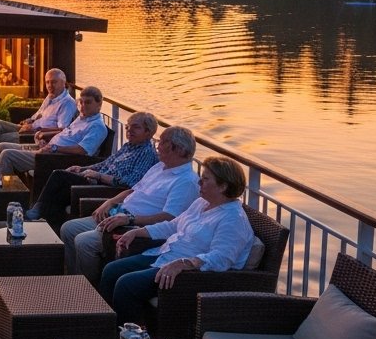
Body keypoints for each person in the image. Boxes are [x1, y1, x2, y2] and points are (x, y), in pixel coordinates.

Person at [98, 156, 255, 324]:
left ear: (223, 186)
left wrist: (185, 263)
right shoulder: (201, 203)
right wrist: (137, 232)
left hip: (186, 275)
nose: (199, 182)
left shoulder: (233, 219)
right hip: (165, 254)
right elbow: (173, 226)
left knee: (126, 285)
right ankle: (104, 324)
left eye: (205, 179)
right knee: (111, 270)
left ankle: (130, 335)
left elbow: (222, 258)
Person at [59, 125, 200, 284]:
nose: (157, 146)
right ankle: (75, 278)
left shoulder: (186, 181)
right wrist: (110, 202)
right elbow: (133, 190)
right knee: (69, 228)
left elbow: (169, 217)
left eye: (162, 142)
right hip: (118, 213)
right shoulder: (159, 167)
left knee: (84, 242)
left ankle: (89, 286)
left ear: (179, 149)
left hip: (132, 225)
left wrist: (129, 219)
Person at [24, 112, 159, 223]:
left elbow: (130, 182)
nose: (129, 130)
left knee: (59, 176)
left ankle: (38, 211)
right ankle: (46, 220)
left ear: (149, 132)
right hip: (95, 179)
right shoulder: (129, 146)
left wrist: (99, 176)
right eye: (127, 127)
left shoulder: (146, 153)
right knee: (61, 187)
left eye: (135, 127)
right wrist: (82, 168)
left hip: (106, 188)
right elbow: (105, 163)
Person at [0, 86, 108, 177]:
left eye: (88, 102)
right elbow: (65, 133)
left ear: (99, 104)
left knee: (7, 155)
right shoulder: (83, 118)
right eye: (81, 102)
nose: (82, 106)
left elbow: (82, 150)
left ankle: (4, 194)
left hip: (54, 159)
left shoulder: (97, 127)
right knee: (0, 146)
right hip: (47, 149)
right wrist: (45, 138)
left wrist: (55, 148)